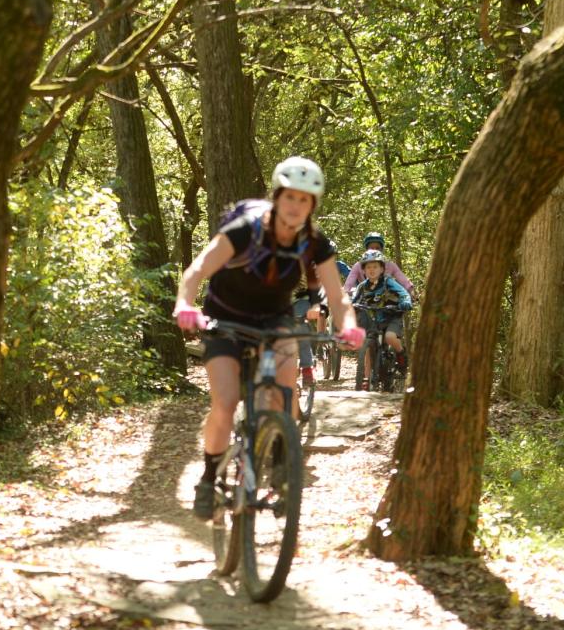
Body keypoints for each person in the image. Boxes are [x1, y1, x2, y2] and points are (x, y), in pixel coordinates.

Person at [173, 157, 364, 519]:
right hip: (225, 319)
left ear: (313, 206)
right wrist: (185, 304)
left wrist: (349, 325)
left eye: (304, 200)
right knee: (226, 402)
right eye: (290, 197)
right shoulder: (244, 231)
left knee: (283, 394)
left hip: (274, 321)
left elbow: (337, 296)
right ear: (277, 197)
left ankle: (279, 463)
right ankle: (210, 478)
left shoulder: (314, 243)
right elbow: (197, 269)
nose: (295, 206)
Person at [348, 249, 412, 390]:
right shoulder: (362, 286)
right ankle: (369, 378)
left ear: (382, 268)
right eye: (368, 267)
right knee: (370, 343)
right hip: (374, 319)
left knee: (389, 337)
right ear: (363, 270)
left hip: (391, 316)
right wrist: (350, 305)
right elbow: (354, 300)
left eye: (375, 267)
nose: (372, 270)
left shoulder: (388, 282)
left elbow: (403, 293)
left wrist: (405, 301)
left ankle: (401, 357)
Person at [342, 232, 413, 297]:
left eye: (377, 248)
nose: (375, 250)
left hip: (386, 299)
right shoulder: (358, 266)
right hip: (365, 298)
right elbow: (349, 283)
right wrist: (346, 293)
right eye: (371, 248)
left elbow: (404, 280)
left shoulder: (390, 265)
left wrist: (411, 291)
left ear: (382, 249)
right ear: (366, 250)